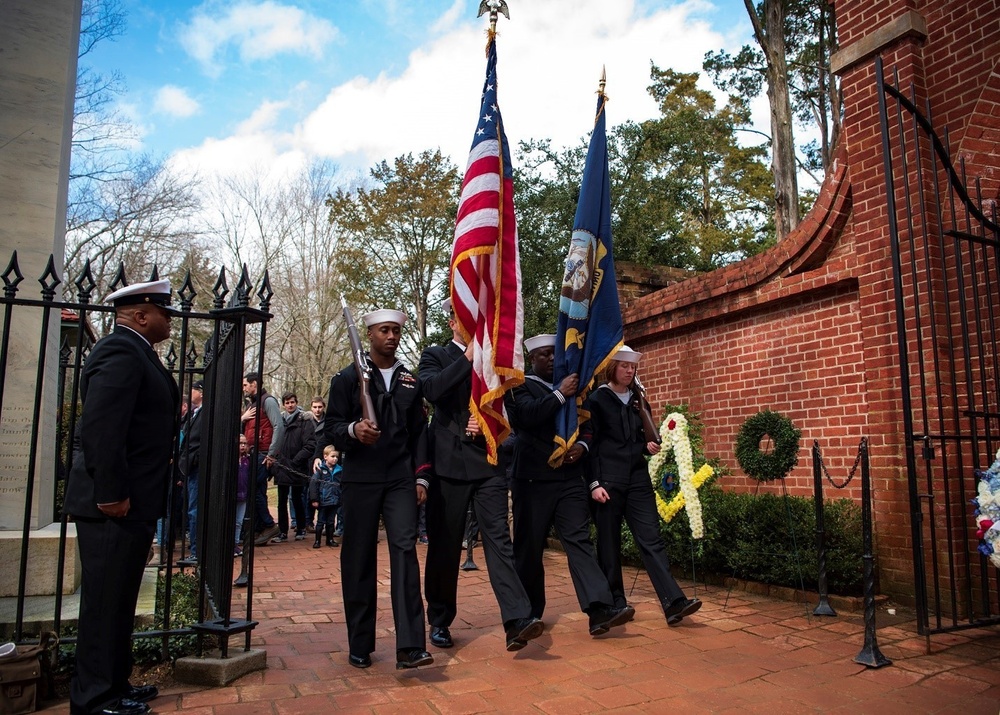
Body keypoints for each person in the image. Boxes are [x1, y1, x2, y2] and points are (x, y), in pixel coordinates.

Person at [64, 279, 180, 715]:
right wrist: (111, 493)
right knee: (104, 602)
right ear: (141, 314)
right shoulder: (118, 351)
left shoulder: (136, 352)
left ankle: (114, 682)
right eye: (165, 313)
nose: (169, 320)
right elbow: (101, 428)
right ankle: (94, 698)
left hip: (133, 501)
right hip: (113, 504)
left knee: (119, 598)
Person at [419, 298, 543, 652]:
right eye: (465, 318)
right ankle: (440, 620)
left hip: (488, 463)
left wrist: (490, 425)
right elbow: (433, 391)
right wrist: (468, 358)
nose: (472, 323)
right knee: (445, 546)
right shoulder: (436, 355)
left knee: (499, 542)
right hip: (449, 467)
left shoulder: (495, 363)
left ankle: (517, 619)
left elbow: (509, 408)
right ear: (453, 323)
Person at [317, 308, 432, 670]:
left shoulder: (409, 380)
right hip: (361, 479)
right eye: (385, 330)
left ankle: (411, 646)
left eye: (397, 331)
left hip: (400, 478)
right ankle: (360, 642)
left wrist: (421, 477)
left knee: (405, 553)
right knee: (359, 558)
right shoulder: (347, 378)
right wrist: (353, 431)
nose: (392, 337)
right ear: (369, 335)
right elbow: (330, 427)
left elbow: (419, 434)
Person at [503, 333, 633, 639]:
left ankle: (599, 609)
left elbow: (587, 426)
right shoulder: (520, 385)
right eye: (544, 355)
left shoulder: (575, 386)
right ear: (532, 359)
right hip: (532, 480)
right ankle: (528, 614)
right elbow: (526, 418)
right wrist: (560, 395)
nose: (550, 359)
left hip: (568, 478)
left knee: (579, 542)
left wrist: (583, 449)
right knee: (529, 548)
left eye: (554, 354)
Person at [585, 346, 702, 625]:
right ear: (611, 367)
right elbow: (590, 444)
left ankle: (673, 602)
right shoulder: (597, 400)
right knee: (608, 545)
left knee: (652, 539)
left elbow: (641, 439)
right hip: (608, 481)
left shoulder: (638, 400)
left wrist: (647, 446)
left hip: (637, 479)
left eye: (633, 367)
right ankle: (614, 604)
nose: (629, 371)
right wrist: (593, 483)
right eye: (624, 366)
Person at [242, 372, 284, 545]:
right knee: (257, 491)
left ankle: (268, 524)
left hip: (263, 453)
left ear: (254, 384)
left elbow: (278, 426)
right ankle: (259, 529)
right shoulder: (252, 404)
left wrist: (271, 453)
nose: (244, 388)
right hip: (253, 452)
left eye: (246, 384)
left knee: (254, 490)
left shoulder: (268, 401)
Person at [271, 392, 315, 542]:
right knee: (281, 500)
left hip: (297, 466)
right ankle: (282, 531)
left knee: (297, 498)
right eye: (287, 403)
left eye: (292, 402)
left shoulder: (305, 420)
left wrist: (296, 460)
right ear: (283, 404)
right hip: (282, 466)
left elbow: (310, 444)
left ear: (296, 403)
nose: (290, 405)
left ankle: (301, 528)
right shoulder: (280, 421)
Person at [176, 379, 203, 566]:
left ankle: (196, 551)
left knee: (195, 510)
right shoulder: (195, 413)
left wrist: (194, 460)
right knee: (191, 509)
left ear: (201, 392)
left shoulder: (205, 413)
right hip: (189, 468)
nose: (190, 392)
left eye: (192, 389)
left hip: (197, 468)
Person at [309, 445, 342, 548]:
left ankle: (330, 539)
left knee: (331, 522)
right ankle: (317, 540)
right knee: (320, 522)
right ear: (325, 456)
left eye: (337, 457)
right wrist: (314, 499)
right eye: (333, 456)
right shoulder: (320, 469)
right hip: (323, 500)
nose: (335, 459)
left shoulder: (340, 470)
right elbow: (313, 484)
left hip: (334, 500)